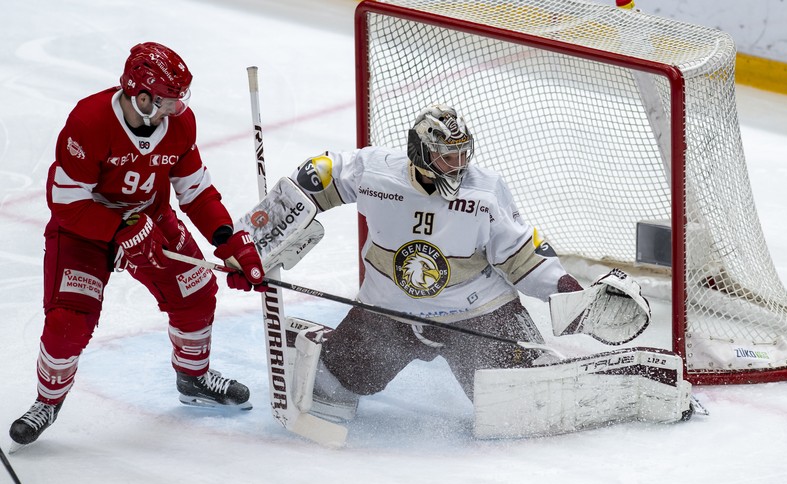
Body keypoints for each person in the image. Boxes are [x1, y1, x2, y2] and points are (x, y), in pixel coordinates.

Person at [9, 42, 266, 447]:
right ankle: (47, 401)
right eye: (167, 100)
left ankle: (194, 377)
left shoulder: (180, 126)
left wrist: (229, 241)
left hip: (150, 220)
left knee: (197, 292)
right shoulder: (90, 121)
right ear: (141, 96)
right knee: (67, 322)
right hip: (84, 229)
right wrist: (120, 227)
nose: (176, 109)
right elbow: (65, 202)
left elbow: (195, 190)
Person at [290, 104, 596, 422]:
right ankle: (318, 343)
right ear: (420, 153)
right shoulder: (377, 174)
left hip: (477, 314)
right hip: (390, 311)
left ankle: (531, 367)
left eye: (463, 155)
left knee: (519, 401)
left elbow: (521, 252)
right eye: (448, 157)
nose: (459, 165)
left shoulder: (485, 193)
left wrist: (566, 290)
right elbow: (321, 172)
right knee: (342, 380)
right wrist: (274, 226)